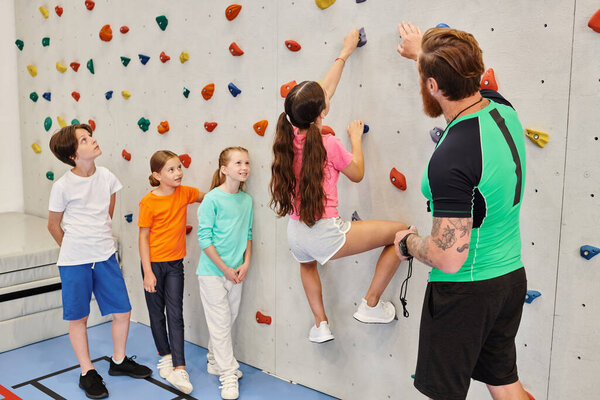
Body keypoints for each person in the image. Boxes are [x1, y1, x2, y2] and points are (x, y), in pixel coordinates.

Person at [394, 22, 532, 400]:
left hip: (466, 292)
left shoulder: (452, 157)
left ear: (433, 85)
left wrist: (407, 243)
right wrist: (421, 54)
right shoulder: (501, 109)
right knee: (504, 385)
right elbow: (455, 100)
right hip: (509, 278)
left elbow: (447, 257)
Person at [269, 29, 409, 344]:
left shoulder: (288, 134)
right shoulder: (329, 143)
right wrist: (356, 140)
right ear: (323, 113)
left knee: (307, 268)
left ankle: (321, 324)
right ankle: (371, 304)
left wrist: (344, 53)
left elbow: (323, 90)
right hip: (325, 233)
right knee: (402, 231)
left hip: (296, 233)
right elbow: (357, 173)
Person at [47, 124, 152, 399]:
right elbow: (54, 225)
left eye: (90, 136)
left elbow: (107, 214)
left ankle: (118, 362)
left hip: (105, 255)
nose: (92, 140)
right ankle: (87, 371)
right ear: (73, 154)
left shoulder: (107, 177)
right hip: (74, 262)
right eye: (84, 139)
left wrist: (96, 244)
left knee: (123, 311)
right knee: (78, 318)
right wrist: (75, 248)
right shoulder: (62, 186)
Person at [138, 150, 205, 394]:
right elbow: (143, 238)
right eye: (171, 169)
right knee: (157, 314)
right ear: (157, 175)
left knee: (175, 314)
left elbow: (208, 197)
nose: (178, 173)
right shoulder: (148, 202)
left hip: (175, 264)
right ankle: (165, 355)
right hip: (153, 264)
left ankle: (179, 367)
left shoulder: (184, 193)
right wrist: (147, 272)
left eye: (179, 167)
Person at [197, 147, 252, 400]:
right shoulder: (212, 199)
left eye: (247, 163)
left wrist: (246, 262)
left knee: (227, 320)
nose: (244, 167)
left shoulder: (246, 200)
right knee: (220, 322)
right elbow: (204, 239)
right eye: (238, 162)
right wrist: (225, 269)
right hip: (212, 273)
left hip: (237, 272)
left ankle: (213, 360)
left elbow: (248, 234)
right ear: (224, 168)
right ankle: (228, 374)